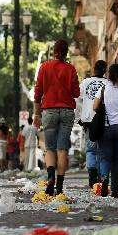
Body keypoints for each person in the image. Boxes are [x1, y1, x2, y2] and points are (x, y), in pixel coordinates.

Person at [33, 39, 80, 195]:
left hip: (49, 111)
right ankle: (59, 185)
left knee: (50, 148)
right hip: (67, 111)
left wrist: (36, 114)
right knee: (62, 149)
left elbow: (37, 94)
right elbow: (76, 93)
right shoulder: (71, 69)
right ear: (66, 52)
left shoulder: (44, 67)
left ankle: (50, 178)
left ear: (54, 51)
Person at [93, 63, 118, 198]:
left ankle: (104, 179)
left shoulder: (103, 90)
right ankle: (115, 191)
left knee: (105, 157)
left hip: (106, 128)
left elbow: (94, 107)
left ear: (108, 75)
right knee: (116, 160)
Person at [76, 59, 108, 187]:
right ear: (105, 71)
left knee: (90, 150)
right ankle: (101, 177)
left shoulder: (85, 83)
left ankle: (92, 175)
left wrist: (79, 118)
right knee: (102, 150)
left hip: (88, 121)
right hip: (103, 122)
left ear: (94, 69)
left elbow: (77, 101)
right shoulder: (107, 83)